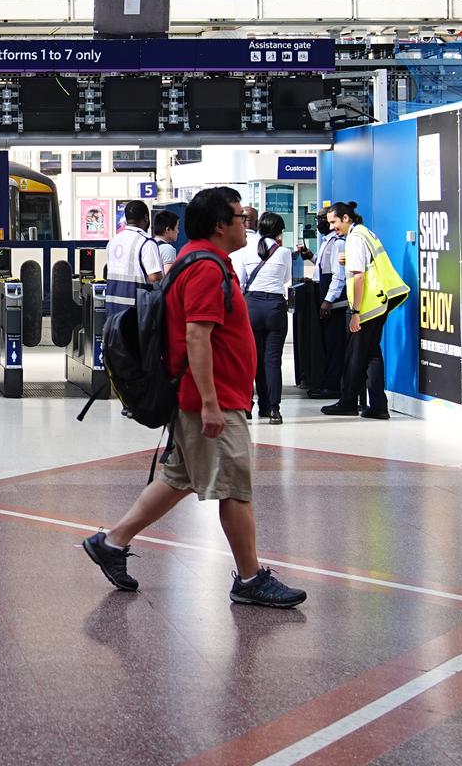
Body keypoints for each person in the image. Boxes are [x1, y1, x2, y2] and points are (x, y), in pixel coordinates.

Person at [82, 187, 307, 609]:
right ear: (221, 225)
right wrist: (209, 403)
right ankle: (250, 578)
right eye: (241, 216)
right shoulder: (205, 268)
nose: (248, 223)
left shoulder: (198, 259)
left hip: (210, 396)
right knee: (236, 490)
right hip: (214, 398)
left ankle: (112, 543)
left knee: (177, 479)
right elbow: (196, 337)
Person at [322, 201, 410, 420]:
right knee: (371, 355)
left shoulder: (354, 238)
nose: (332, 227)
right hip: (377, 304)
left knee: (354, 356)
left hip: (367, 306)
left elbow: (359, 276)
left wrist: (356, 312)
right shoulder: (364, 233)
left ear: (345, 218)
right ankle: (378, 405)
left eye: (334, 222)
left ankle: (348, 402)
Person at [245, 212, 293, 425]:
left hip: (252, 306)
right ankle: (273, 409)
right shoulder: (284, 252)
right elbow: (286, 279)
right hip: (275, 306)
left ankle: (248, 406)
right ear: (279, 232)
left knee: (251, 359)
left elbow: (240, 280)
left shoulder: (246, 250)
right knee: (272, 360)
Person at [305, 207, 348, 397]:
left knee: (334, 344)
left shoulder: (338, 242)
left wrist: (328, 301)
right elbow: (324, 268)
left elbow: (337, 276)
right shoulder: (327, 241)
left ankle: (332, 385)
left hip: (334, 302)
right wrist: (311, 257)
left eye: (325, 220)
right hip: (325, 296)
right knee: (327, 343)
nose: (322, 223)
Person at [103, 199, 162, 311]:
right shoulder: (146, 242)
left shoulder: (113, 241)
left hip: (112, 307)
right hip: (136, 309)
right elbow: (154, 277)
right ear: (146, 218)